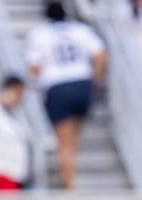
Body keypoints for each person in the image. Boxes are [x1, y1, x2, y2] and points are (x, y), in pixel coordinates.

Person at [26, 1, 107, 189]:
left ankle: (69, 185)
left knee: (63, 141)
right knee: (74, 138)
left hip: (58, 85)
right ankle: (70, 175)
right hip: (82, 82)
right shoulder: (80, 30)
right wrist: (95, 78)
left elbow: (34, 67)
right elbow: (101, 56)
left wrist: (44, 79)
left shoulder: (39, 34)